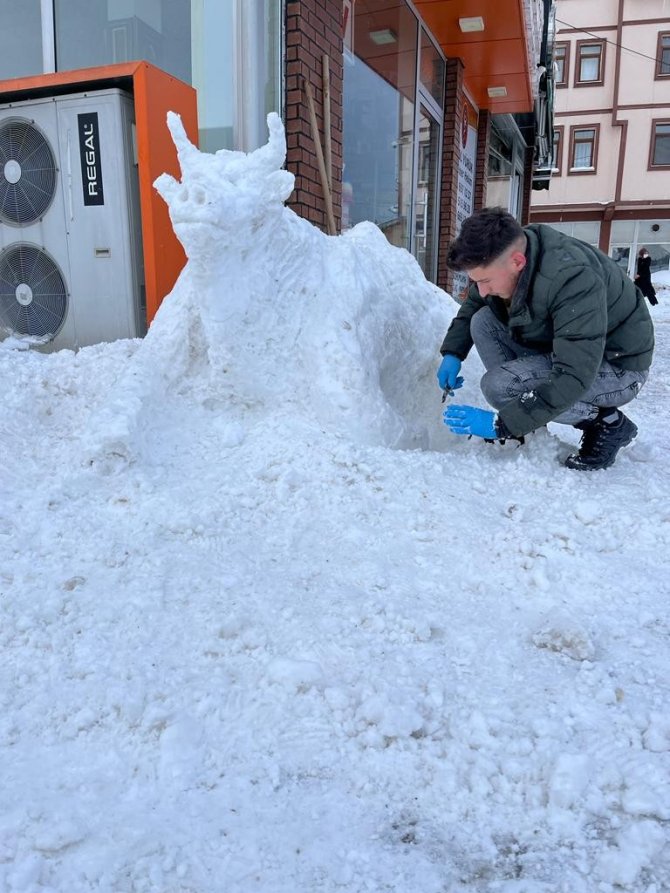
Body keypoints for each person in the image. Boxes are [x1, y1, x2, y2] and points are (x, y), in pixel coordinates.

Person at [437, 207, 654, 471]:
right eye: (476, 281)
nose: (481, 291)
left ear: (518, 262)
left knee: (499, 386)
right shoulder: (512, 256)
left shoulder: (573, 279)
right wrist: (453, 353)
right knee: (483, 321)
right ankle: (527, 420)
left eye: (485, 281)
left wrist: (503, 424)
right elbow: (473, 305)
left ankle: (608, 424)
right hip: (570, 350)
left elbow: (574, 374)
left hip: (618, 367)